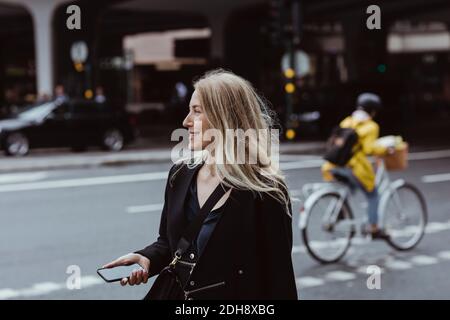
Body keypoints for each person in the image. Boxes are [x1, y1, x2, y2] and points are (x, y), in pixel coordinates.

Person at [103, 69, 298, 300]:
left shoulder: (266, 190)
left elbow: (279, 280)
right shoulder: (180, 174)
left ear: (225, 117)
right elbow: (168, 242)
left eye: (196, 111)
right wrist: (147, 258)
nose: (186, 122)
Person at [321, 93, 392, 238]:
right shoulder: (371, 126)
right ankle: (374, 228)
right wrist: (386, 149)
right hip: (353, 168)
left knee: (350, 187)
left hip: (333, 165)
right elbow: (369, 149)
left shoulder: (347, 121)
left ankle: (339, 211)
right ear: (373, 111)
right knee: (373, 194)